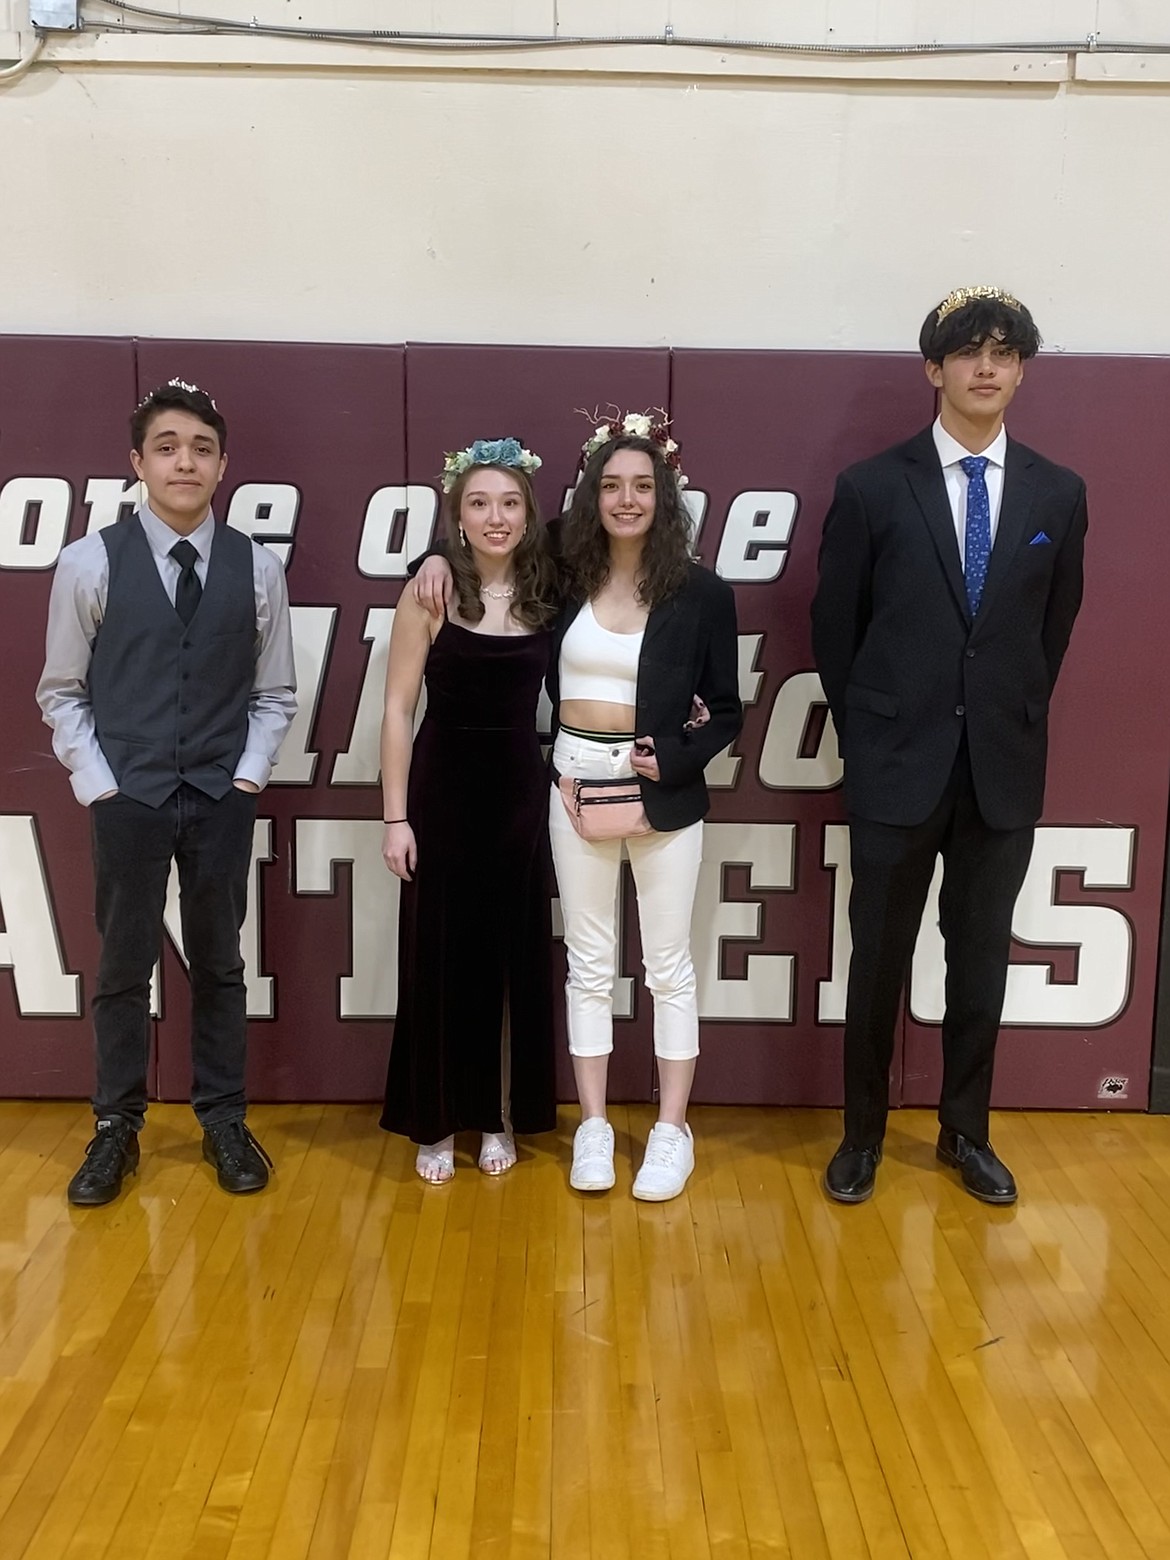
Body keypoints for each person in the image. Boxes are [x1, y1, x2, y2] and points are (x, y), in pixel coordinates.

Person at [414, 412, 742, 1201]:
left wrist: (682, 753)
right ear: (590, 495)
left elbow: (728, 709)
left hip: (662, 791)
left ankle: (670, 1130)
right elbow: (490, 549)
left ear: (665, 496)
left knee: (667, 966)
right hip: (569, 782)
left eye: (642, 486)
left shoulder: (703, 593)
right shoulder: (559, 576)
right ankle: (592, 1124)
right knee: (589, 964)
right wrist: (433, 551)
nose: (626, 500)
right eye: (611, 486)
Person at [811, 287, 1087, 1206]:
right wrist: (873, 735)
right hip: (897, 766)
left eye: (1005, 353)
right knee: (877, 956)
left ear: (1020, 371)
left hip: (1000, 772)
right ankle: (861, 1137)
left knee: (980, 961)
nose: (986, 367)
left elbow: (1052, 630)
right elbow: (834, 629)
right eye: (969, 351)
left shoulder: (1058, 492)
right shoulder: (872, 487)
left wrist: (1003, 711)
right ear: (934, 368)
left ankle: (966, 1133)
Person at [37, 378, 297, 1206]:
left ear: (224, 465)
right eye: (167, 447)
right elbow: (62, 691)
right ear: (137, 464)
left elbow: (275, 693)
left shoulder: (257, 568)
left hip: (221, 794)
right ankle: (117, 1125)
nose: (185, 461)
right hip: (130, 796)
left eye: (202, 448)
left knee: (221, 963)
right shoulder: (87, 562)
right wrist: (101, 785)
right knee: (121, 966)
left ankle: (222, 1115)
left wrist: (247, 775)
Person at [379, 437, 559, 1182]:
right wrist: (396, 818)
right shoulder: (427, 591)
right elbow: (396, 708)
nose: (495, 517)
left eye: (509, 503)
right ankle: (435, 1121)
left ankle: (495, 1115)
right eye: (479, 503)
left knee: (507, 963)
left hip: (520, 794)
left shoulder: (551, 590)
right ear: (456, 513)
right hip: (442, 791)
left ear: (527, 513)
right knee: (439, 961)